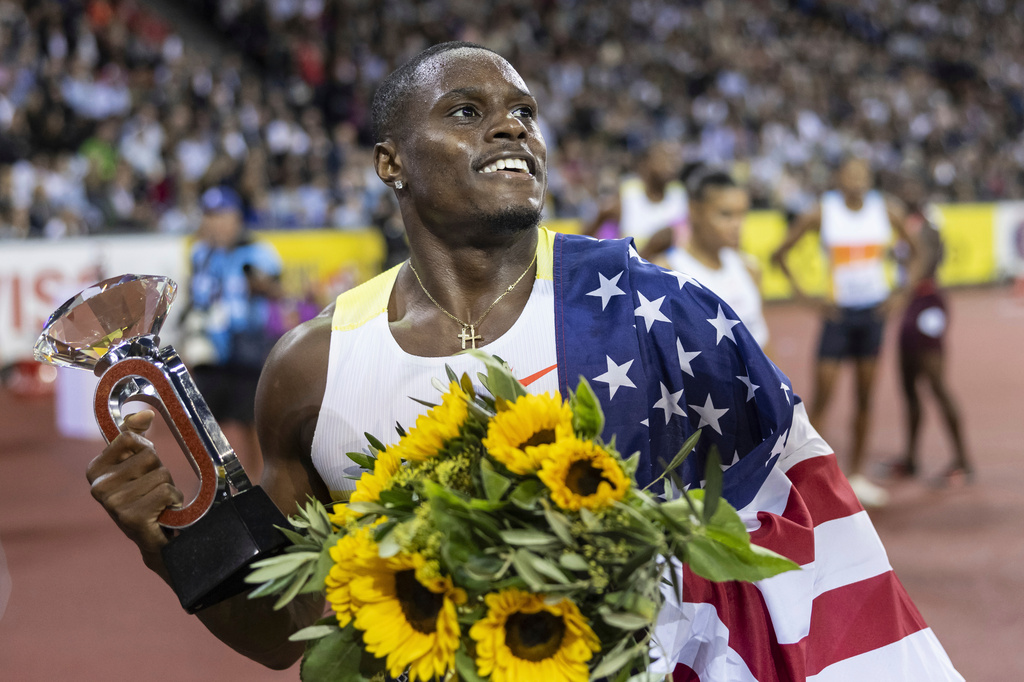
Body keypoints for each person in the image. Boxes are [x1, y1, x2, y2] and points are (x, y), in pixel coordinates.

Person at [87, 44, 961, 680]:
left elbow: (792, 526)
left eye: (523, 112)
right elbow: (287, 635)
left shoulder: (652, 312)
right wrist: (170, 547)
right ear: (390, 161)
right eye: (465, 110)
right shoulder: (311, 369)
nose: (511, 123)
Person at [771, 158, 912, 508]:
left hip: (873, 314)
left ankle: (858, 475)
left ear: (870, 178)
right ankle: (809, 477)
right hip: (837, 315)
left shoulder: (886, 210)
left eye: (863, 174)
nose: (857, 180)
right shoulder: (824, 211)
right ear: (838, 178)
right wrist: (806, 297)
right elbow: (780, 254)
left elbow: (920, 249)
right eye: (850, 174)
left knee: (864, 397)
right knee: (823, 398)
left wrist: (901, 294)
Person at [179, 186, 283, 481]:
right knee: (203, 426)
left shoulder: (257, 252)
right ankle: (213, 489)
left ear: (237, 217)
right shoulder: (200, 253)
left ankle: (263, 487)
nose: (215, 223)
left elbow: (276, 291)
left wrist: (261, 286)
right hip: (209, 350)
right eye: (210, 216)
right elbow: (195, 293)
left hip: (246, 348)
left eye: (222, 215)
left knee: (253, 425)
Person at [891, 192, 972, 484]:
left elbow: (928, 260)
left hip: (927, 303)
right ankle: (911, 459)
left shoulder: (929, 226)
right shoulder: (902, 226)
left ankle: (964, 461)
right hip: (911, 305)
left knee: (937, 384)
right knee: (908, 386)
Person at [665, 167, 771, 354]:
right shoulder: (666, 273)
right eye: (726, 214)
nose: (738, 225)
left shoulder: (749, 268)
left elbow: (761, 342)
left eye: (742, 214)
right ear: (694, 210)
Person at [583, 142, 688, 262]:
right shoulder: (628, 195)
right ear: (645, 163)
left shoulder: (679, 194)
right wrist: (651, 248)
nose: (671, 165)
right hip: (634, 275)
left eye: (674, 159)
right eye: (664, 158)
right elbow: (590, 229)